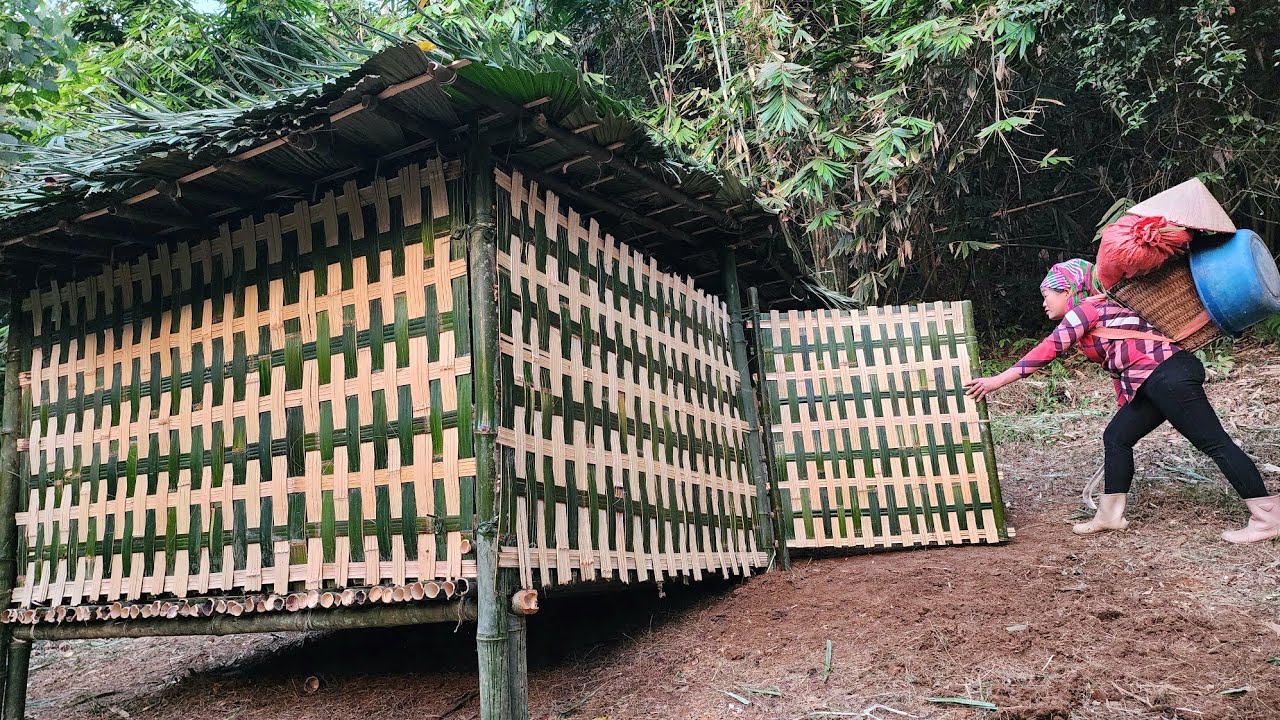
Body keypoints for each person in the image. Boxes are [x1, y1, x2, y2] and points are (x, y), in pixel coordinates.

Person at [964, 258, 1279, 543]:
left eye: (1047, 293)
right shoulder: (1101, 311)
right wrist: (1125, 409)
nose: (1044, 302)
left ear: (1068, 290)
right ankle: (1110, 515)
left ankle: (1267, 518)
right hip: (1154, 381)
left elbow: (1049, 348)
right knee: (1117, 435)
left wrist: (996, 381)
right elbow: (1121, 364)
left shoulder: (1087, 309)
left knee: (1215, 443)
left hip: (1167, 377)